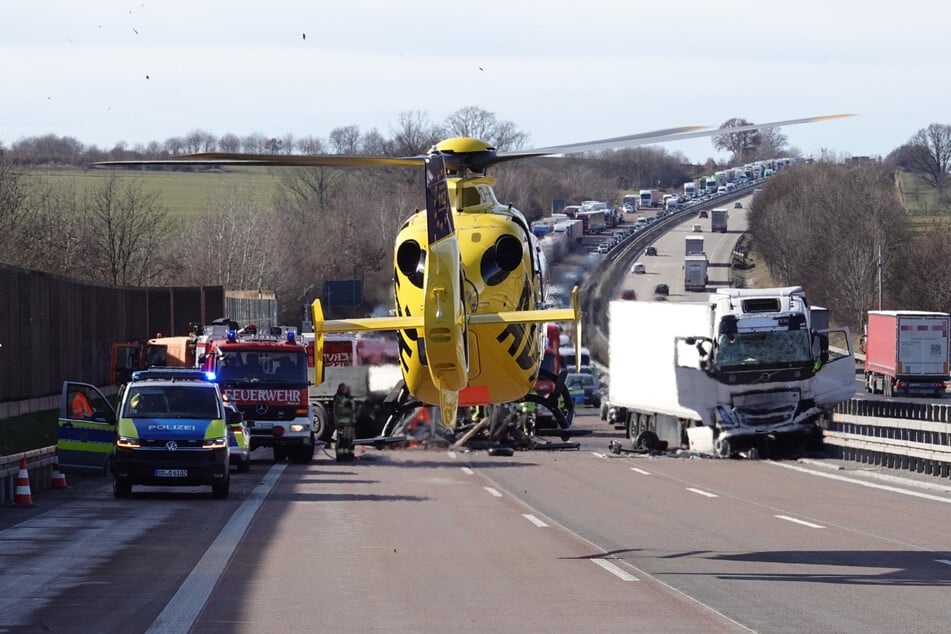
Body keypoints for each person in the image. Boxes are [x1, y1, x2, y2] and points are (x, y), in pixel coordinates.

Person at [333, 382, 355, 462]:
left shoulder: (345, 398)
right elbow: (339, 410)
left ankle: (346, 455)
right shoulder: (338, 398)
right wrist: (348, 410)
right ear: (340, 389)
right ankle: (339, 456)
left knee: (347, 440)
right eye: (344, 389)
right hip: (340, 422)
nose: (345, 390)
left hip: (347, 423)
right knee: (341, 440)